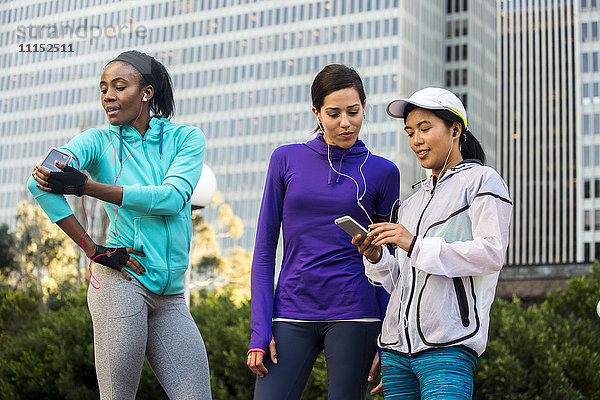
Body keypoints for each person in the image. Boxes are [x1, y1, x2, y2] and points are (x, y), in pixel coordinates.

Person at [27, 50, 212, 400]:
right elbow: (39, 183)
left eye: (118, 86)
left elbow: (172, 198)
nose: (107, 96)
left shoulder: (186, 139)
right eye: (102, 88)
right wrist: (92, 249)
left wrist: (88, 187)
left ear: (146, 92)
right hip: (121, 282)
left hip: (171, 296)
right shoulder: (97, 141)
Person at [246, 64, 400, 400]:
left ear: (364, 108)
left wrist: (389, 339)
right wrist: (260, 329)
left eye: (353, 112)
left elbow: (390, 262)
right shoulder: (285, 159)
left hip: (356, 312)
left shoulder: (384, 172)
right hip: (290, 310)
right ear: (317, 113)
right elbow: (263, 251)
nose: (345, 122)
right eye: (334, 113)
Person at [353, 87, 512, 399]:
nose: (416, 140)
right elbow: (401, 281)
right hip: (397, 353)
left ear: (455, 130)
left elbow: (492, 253)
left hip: (448, 347)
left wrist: (413, 244)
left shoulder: (483, 181)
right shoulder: (410, 203)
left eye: (425, 129)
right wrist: (375, 257)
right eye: (410, 132)